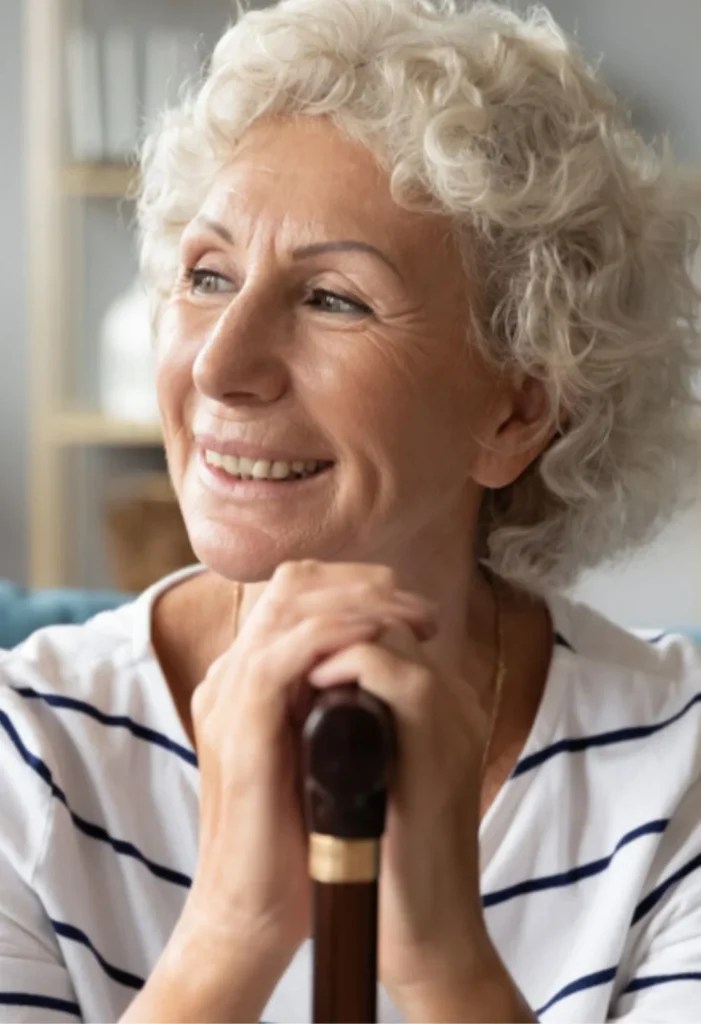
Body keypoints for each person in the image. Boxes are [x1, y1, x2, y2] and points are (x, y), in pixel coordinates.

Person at [2, 0, 701, 1020]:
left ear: (515, 408)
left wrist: (442, 960)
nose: (220, 364)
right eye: (205, 276)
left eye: (333, 297)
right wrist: (229, 936)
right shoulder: (24, 750)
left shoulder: (676, 772)